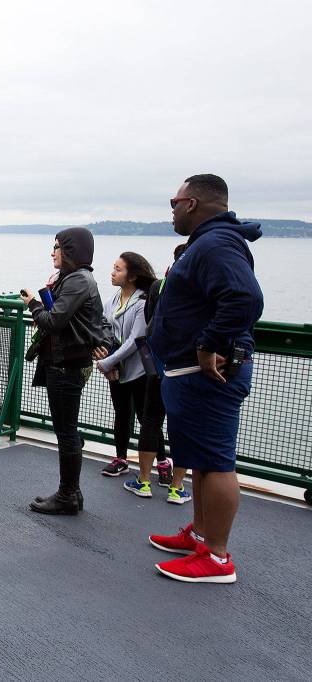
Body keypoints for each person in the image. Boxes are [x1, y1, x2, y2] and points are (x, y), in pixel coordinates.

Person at [148, 174, 263, 584]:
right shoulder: (209, 243)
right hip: (189, 372)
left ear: (191, 203)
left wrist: (208, 343)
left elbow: (245, 298)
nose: (173, 210)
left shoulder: (216, 244)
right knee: (198, 460)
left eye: (174, 202)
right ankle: (200, 534)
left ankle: (216, 557)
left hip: (207, 372)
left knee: (215, 463)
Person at [20, 228, 105, 515]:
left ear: (71, 249)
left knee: (66, 431)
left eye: (57, 247)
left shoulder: (78, 280)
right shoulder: (76, 279)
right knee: (66, 430)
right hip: (67, 362)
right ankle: (71, 492)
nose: (53, 252)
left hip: (67, 365)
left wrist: (32, 304)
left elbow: (53, 321)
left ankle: (68, 494)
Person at [134, 244, 191, 503]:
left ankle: (143, 481)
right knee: (182, 426)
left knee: (150, 420)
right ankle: (177, 487)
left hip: (157, 363)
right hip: (187, 365)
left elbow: (148, 320)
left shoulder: (159, 286)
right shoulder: (198, 288)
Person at [94, 252, 157, 480]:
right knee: (120, 413)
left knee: (145, 417)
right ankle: (121, 458)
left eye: (118, 269)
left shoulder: (142, 302)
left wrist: (107, 361)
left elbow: (136, 339)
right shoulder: (112, 301)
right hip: (117, 370)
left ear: (132, 276)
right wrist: (101, 351)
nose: (112, 272)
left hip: (140, 369)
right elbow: (102, 328)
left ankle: (161, 461)